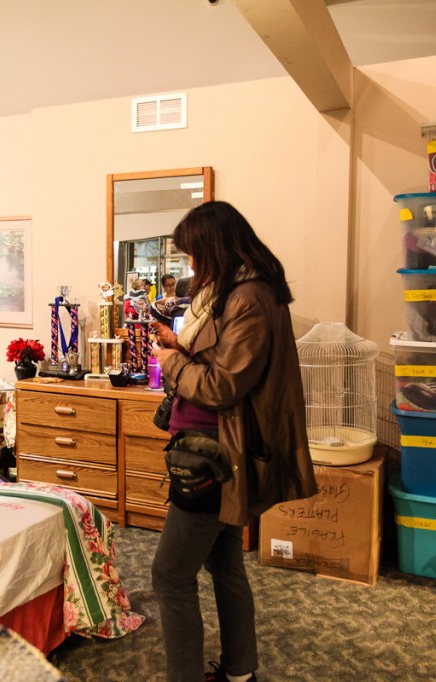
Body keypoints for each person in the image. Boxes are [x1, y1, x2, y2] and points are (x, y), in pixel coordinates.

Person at [149, 201, 317, 682]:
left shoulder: (247, 298)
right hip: (215, 447)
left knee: (170, 574)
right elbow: (224, 360)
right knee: (224, 564)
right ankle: (241, 672)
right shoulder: (236, 294)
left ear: (216, 249)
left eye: (196, 256)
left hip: (216, 455)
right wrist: (180, 346)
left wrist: (172, 362)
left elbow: (224, 385)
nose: (193, 268)